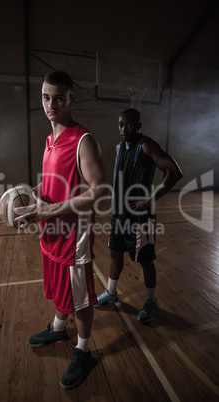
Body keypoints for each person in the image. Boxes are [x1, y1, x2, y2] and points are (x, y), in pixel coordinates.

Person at [15, 70, 106, 389]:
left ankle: (83, 349)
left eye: (57, 97)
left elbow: (99, 191)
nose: (50, 103)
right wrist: (34, 197)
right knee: (58, 286)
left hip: (74, 238)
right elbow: (56, 182)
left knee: (79, 298)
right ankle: (57, 328)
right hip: (50, 232)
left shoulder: (84, 140)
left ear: (71, 99)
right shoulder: (49, 140)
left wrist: (51, 209)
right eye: (45, 97)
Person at [96, 108, 183, 323]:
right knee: (115, 254)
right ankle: (111, 292)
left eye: (130, 124)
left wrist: (149, 200)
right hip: (120, 215)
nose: (124, 129)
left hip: (139, 217)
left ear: (138, 126)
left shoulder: (146, 145)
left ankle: (151, 300)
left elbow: (175, 172)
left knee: (145, 260)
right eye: (121, 125)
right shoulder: (119, 147)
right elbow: (119, 178)